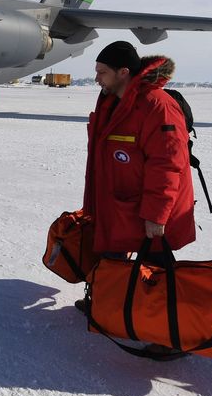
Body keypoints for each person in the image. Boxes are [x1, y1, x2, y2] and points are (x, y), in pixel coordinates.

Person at [78, 40, 196, 341]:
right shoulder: (110, 101)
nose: (96, 78)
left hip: (153, 205)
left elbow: (168, 165)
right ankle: (108, 307)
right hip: (117, 199)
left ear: (123, 72)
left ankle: (163, 331)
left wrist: (157, 215)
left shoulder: (158, 107)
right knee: (110, 254)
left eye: (102, 72)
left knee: (155, 268)